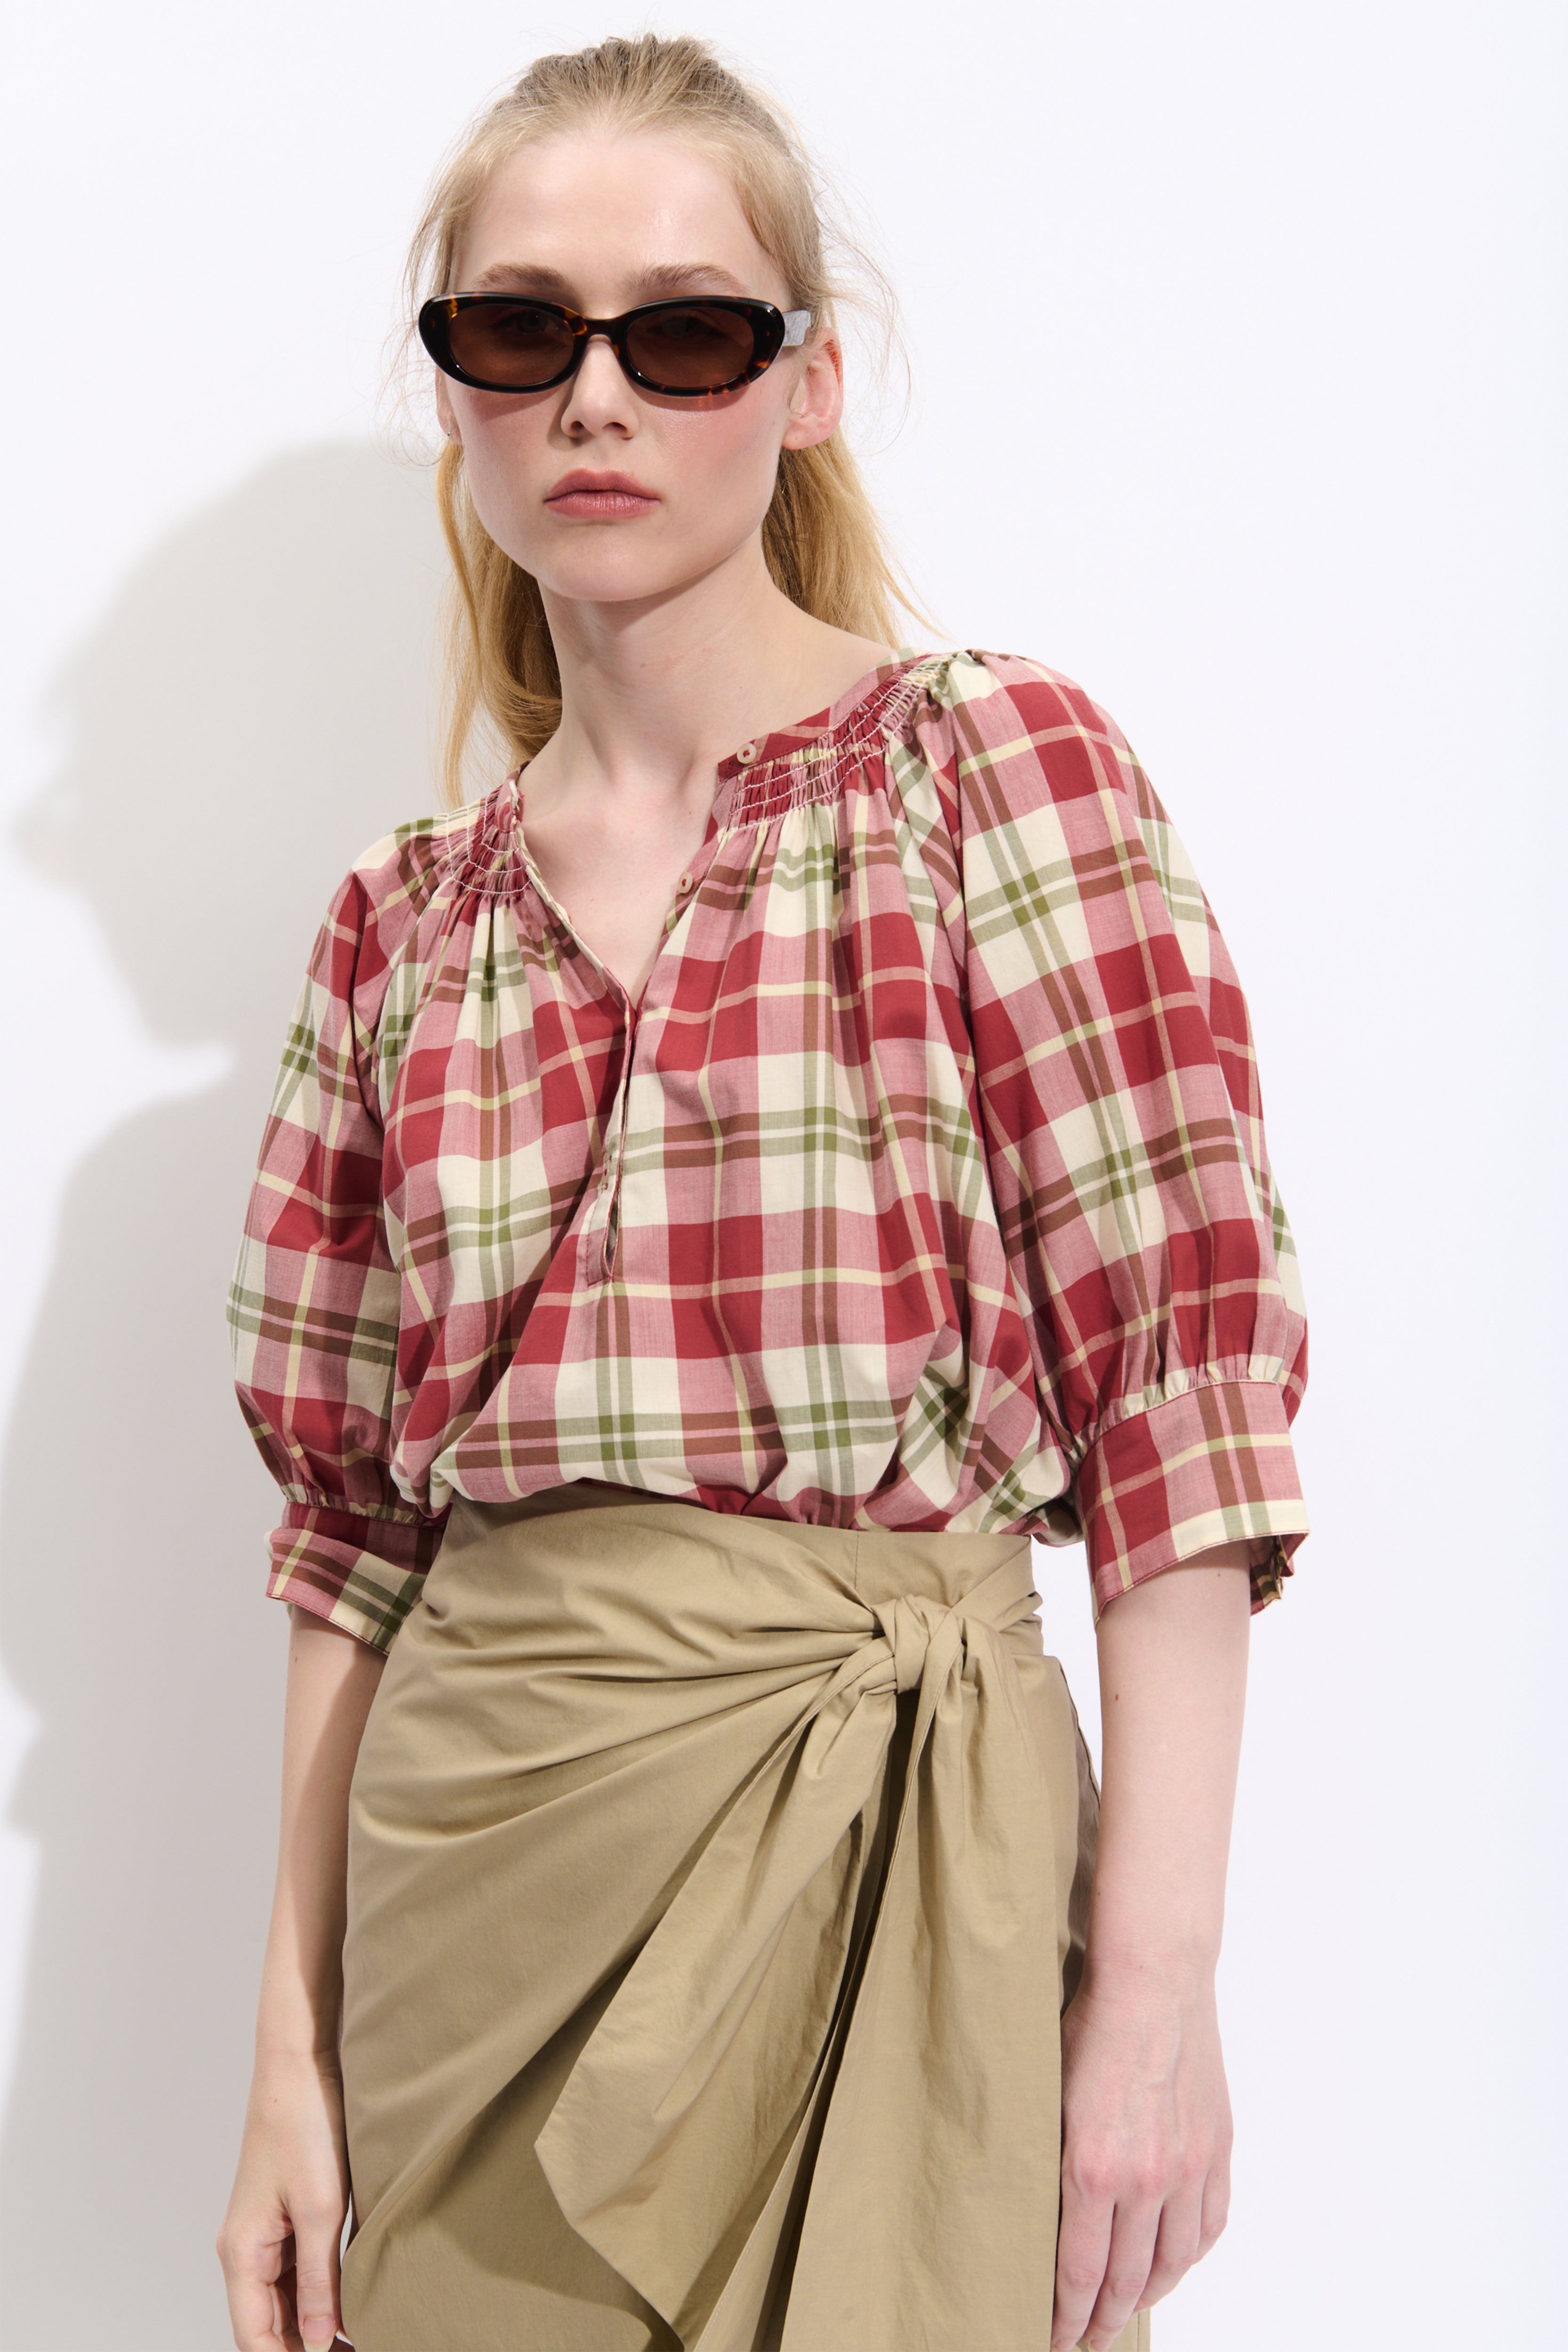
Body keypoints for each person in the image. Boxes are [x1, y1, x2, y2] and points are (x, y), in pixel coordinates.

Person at [215, 32, 1310, 2352]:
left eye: (686, 333)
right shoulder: (396, 922)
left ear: (805, 384)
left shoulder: (989, 775)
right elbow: (351, 1546)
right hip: (478, 1911)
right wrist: (285, 2065)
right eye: (522, 329)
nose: (597, 396)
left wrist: (1158, 1993)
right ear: (456, 392)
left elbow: (1178, 1423)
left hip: (908, 1871)